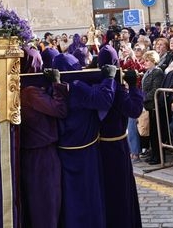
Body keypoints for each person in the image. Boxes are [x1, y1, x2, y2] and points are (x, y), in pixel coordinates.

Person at [53, 53, 116, 228]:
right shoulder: (76, 86)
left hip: (64, 150)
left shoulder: (52, 86)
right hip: (83, 152)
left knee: (70, 196)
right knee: (87, 196)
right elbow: (103, 100)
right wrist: (109, 78)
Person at [97, 46, 143, 228]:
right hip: (117, 145)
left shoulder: (96, 85)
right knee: (120, 188)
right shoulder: (117, 89)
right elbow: (135, 110)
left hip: (98, 145)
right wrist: (134, 87)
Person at [19, 67, 68, 228]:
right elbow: (59, 109)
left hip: (34, 152)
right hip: (41, 154)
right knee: (47, 204)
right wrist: (56, 84)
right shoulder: (30, 92)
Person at [140, 50, 164, 165]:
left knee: (155, 132)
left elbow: (155, 89)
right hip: (148, 105)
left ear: (153, 61)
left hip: (154, 105)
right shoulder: (148, 72)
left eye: (147, 60)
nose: (145, 62)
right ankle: (153, 154)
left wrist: (143, 98)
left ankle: (157, 156)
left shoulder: (157, 72)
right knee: (150, 131)